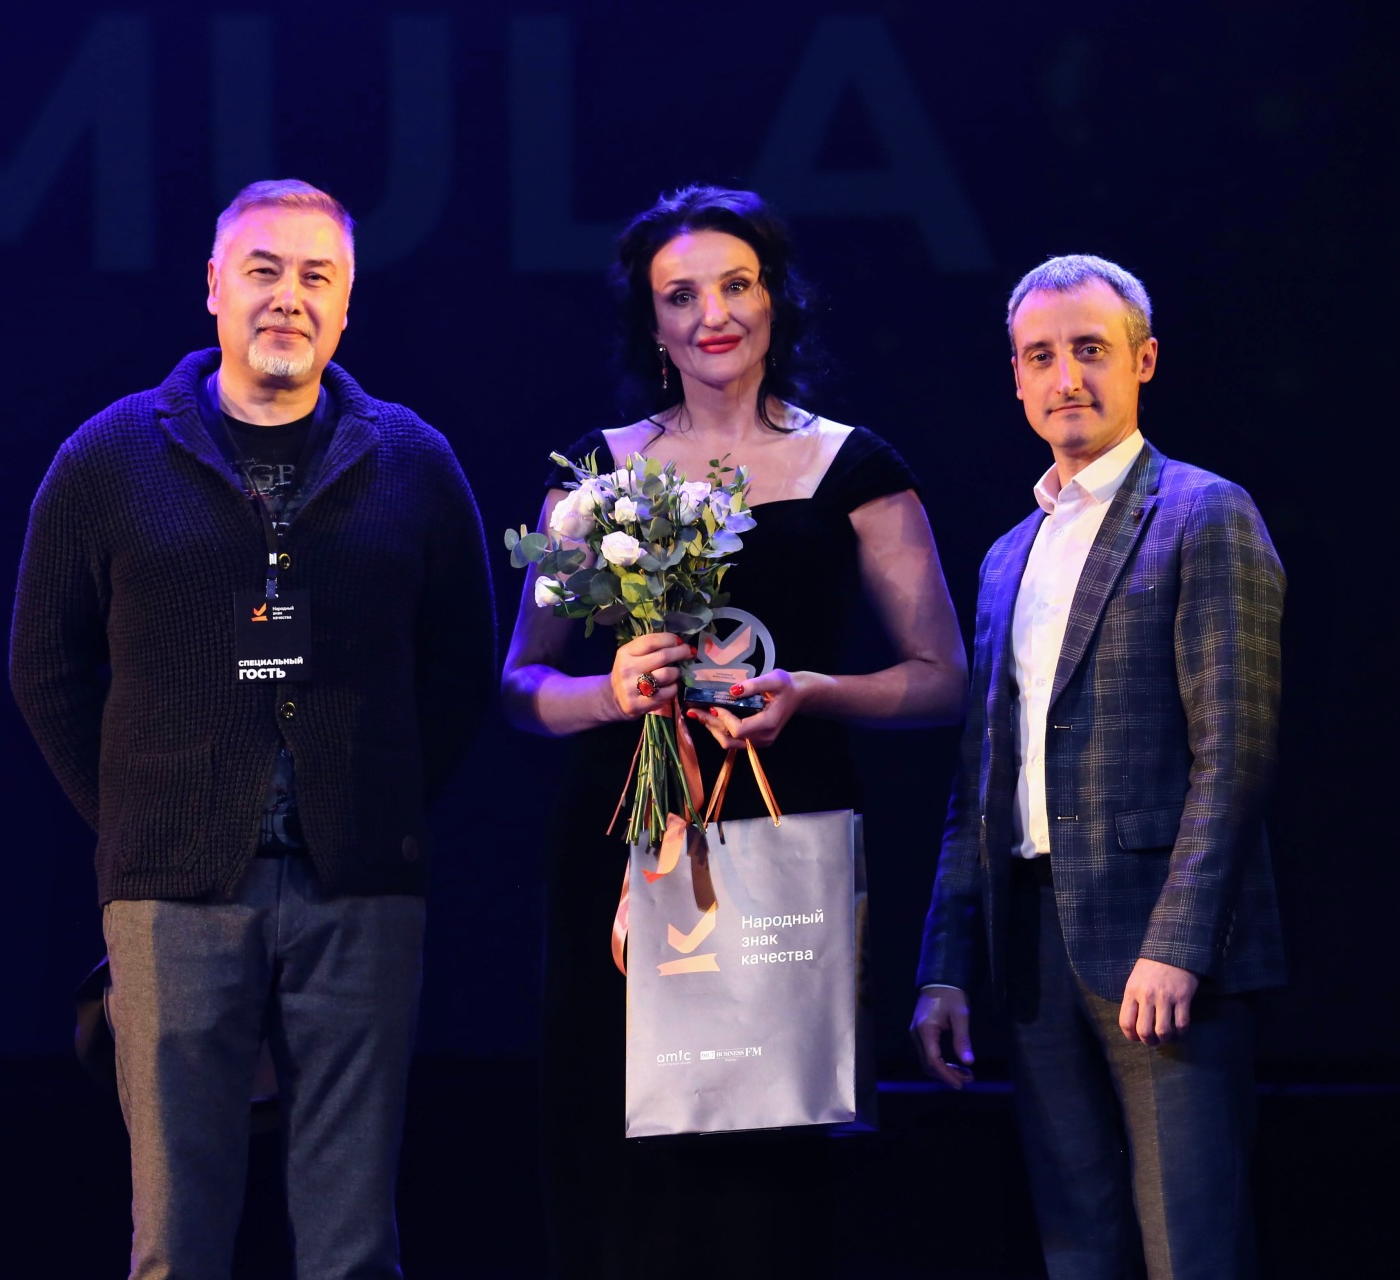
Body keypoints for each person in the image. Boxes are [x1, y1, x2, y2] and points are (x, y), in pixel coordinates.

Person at [10, 178, 495, 1279]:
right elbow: (43, 666)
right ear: (214, 287)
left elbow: (460, 668)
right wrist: (136, 816)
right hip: (172, 891)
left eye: (317, 276)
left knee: (353, 1239)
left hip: (361, 884)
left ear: (347, 305)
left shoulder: (413, 460)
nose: (289, 296)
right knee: (175, 1237)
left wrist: (380, 799)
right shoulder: (110, 456)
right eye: (264, 270)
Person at [501, 184, 967, 1279]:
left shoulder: (854, 467)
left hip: (781, 839)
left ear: (776, 299)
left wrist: (812, 688)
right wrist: (612, 692)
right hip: (624, 855)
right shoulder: (599, 474)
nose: (713, 313)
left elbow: (942, 679)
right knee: (619, 1152)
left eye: (736, 285)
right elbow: (521, 685)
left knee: (765, 1163)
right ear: (652, 323)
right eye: (681, 295)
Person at [910, 254, 1286, 1279]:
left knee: (1191, 1248)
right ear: (1016, 378)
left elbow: (1236, 752)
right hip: (1031, 945)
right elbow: (980, 780)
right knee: (1078, 1248)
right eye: (1041, 356)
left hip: (1158, 946)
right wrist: (946, 962)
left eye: (1090, 349)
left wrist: (1179, 942)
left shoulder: (1204, 513)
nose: (1066, 376)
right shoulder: (1006, 556)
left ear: (1143, 360)